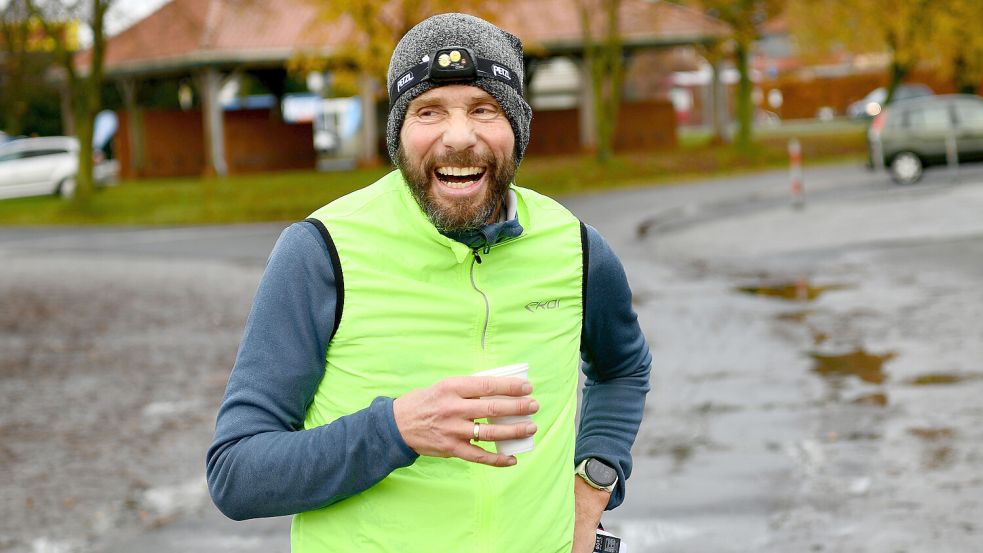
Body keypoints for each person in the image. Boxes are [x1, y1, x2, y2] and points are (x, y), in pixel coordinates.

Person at [206, 13, 650, 553]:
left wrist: (592, 486)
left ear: (518, 128)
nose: (458, 137)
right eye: (429, 111)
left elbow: (623, 367)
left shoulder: (575, 247)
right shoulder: (320, 253)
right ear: (398, 132)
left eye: (484, 109)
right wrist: (395, 430)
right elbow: (237, 474)